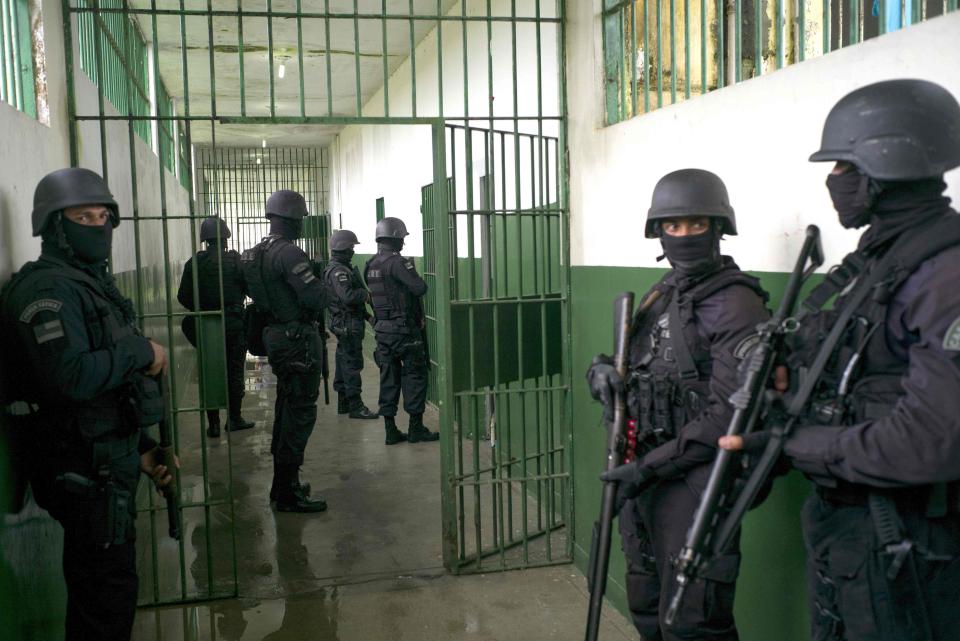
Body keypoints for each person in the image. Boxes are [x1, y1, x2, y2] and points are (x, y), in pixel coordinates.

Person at [721, 79, 960, 641]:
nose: (834, 183)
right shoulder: (880, 257)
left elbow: (931, 441)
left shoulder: (944, 274)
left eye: (840, 168)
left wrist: (795, 443)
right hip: (852, 533)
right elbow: (833, 351)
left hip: (909, 543)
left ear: (880, 168)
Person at [587, 169, 770, 641]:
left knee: (691, 622)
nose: (684, 236)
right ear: (659, 232)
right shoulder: (662, 290)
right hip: (644, 468)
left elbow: (729, 414)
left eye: (696, 225)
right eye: (674, 226)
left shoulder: (736, 303)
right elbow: (637, 365)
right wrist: (601, 371)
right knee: (646, 603)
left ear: (717, 228)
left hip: (695, 479)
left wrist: (649, 468)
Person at [0, 168, 175, 641]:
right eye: (84, 216)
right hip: (83, 471)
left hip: (102, 461)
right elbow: (71, 377)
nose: (98, 226)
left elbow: (104, 393)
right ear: (56, 226)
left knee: (108, 593)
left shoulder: (84, 283)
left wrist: (140, 447)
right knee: (105, 600)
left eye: (104, 216)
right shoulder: (49, 291)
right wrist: (141, 351)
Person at [241, 189, 327, 513]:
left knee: (286, 408)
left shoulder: (254, 253)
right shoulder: (290, 254)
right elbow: (314, 298)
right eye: (301, 218)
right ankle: (288, 493)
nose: (302, 225)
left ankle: (282, 486)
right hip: (296, 340)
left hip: (273, 335)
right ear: (291, 219)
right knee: (299, 413)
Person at [177, 215, 254, 438]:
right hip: (233, 323)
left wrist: (203, 309)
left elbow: (183, 296)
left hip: (206, 324)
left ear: (205, 239)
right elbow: (249, 289)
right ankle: (235, 418)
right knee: (234, 370)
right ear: (226, 237)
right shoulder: (235, 261)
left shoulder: (194, 262)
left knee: (209, 372)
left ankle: (213, 425)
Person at [364, 217, 438, 445]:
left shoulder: (371, 264)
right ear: (395, 238)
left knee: (388, 378)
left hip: (383, 331)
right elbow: (420, 288)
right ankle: (415, 429)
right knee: (415, 377)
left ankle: (390, 430)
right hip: (404, 331)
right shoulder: (397, 263)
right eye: (402, 239)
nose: (403, 244)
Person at [324, 229, 378, 420]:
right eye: (351, 247)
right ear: (343, 248)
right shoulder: (339, 271)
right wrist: (366, 295)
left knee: (343, 362)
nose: (353, 250)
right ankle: (355, 406)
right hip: (347, 324)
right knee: (352, 365)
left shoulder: (340, 268)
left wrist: (368, 317)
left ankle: (344, 404)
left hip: (346, 322)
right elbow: (348, 298)